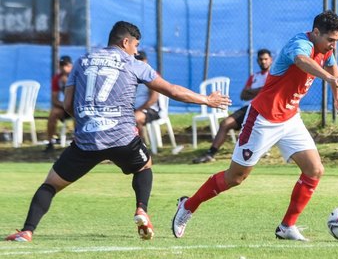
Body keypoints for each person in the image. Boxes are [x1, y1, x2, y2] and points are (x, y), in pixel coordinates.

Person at [5, 21, 231, 243]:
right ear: (126, 42)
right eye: (136, 46)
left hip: (86, 141)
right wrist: (206, 99)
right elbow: (171, 90)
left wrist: (89, 120)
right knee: (144, 166)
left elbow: (67, 105)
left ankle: (27, 232)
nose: (136, 51)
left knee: (51, 185)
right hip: (122, 137)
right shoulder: (133, 64)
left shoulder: (83, 61)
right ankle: (141, 210)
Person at [172, 10, 338, 241]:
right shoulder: (300, 44)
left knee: (314, 170)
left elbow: (331, 66)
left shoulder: (326, 50)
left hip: (290, 119)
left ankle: (287, 226)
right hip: (263, 119)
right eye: (330, 40)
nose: (333, 46)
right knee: (235, 177)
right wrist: (328, 79)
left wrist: (337, 98)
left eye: (337, 41)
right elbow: (302, 61)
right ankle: (188, 205)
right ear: (316, 33)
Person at [192, 48, 273, 164]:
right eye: (261, 59)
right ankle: (210, 153)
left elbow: (268, 92)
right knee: (225, 123)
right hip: (248, 107)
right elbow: (243, 95)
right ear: (257, 61)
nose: (263, 62)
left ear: (271, 60)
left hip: (263, 109)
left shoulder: (274, 75)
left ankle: (254, 154)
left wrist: (252, 91)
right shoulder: (254, 77)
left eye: (266, 59)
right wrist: (260, 90)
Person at [44, 55, 73, 153]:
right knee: (53, 113)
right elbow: (55, 100)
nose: (63, 68)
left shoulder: (78, 75)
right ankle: (50, 143)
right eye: (61, 65)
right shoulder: (57, 78)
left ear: (71, 66)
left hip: (78, 106)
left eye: (66, 65)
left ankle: (79, 144)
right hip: (67, 106)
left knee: (79, 114)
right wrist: (66, 105)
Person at [133, 51, 160, 136]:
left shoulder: (151, 75)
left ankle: (140, 146)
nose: (139, 62)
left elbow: (153, 98)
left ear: (146, 60)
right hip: (133, 109)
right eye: (136, 60)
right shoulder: (131, 75)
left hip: (150, 109)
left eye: (141, 59)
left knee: (135, 119)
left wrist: (139, 109)